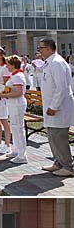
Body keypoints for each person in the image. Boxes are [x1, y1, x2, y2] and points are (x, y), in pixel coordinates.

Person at [38, 37, 74, 177]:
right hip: (51, 108)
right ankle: (58, 162)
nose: (39, 50)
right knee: (52, 135)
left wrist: (54, 106)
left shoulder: (57, 63)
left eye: (41, 48)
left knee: (59, 137)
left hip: (59, 108)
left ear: (48, 48)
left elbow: (61, 88)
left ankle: (67, 166)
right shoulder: (50, 63)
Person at [0, 55, 28, 164]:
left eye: (7, 64)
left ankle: (22, 155)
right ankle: (16, 149)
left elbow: (18, 92)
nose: (6, 66)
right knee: (14, 127)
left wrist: (4, 94)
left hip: (17, 104)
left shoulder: (18, 76)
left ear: (12, 64)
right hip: (12, 104)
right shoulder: (14, 75)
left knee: (18, 129)